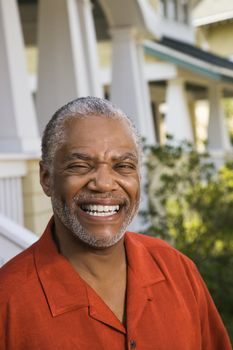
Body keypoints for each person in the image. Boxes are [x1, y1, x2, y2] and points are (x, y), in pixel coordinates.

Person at [0, 96, 231, 350]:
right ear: (46, 178)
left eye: (123, 166)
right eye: (80, 166)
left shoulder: (178, 271)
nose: (104, 183)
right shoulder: (8, 301)